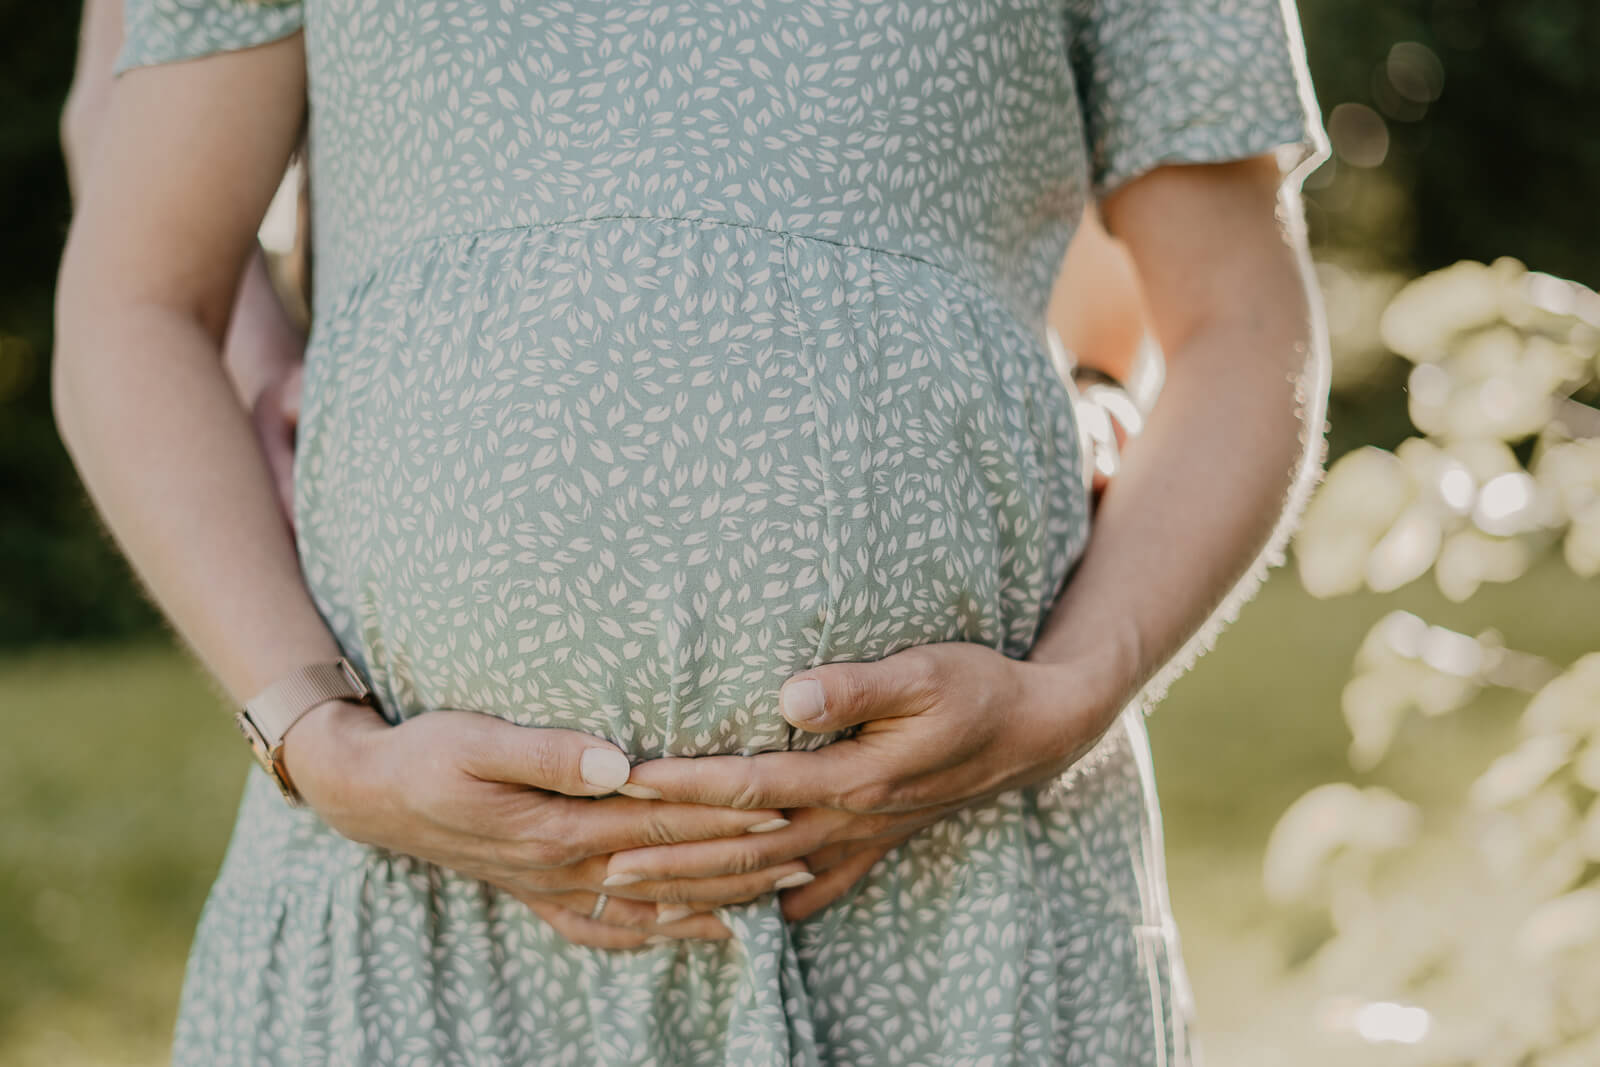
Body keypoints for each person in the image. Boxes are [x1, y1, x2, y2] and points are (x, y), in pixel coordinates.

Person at [53, 0, 1331, 1061]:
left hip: (965, 896)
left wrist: (1073, 687)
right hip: (411, 908)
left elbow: (1237, 325)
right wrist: (315, 735)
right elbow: (138, 303)